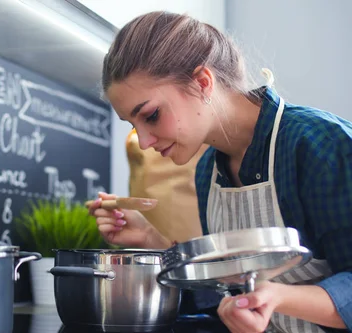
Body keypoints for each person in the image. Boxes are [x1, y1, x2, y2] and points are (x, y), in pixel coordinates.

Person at [89, 10, 352, 333]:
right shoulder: (208, 172)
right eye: (133, 125)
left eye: (152, 115)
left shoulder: (318, 144)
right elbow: (220, 297)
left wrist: (277, 297)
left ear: (202, 82)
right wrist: (152, 239)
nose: (143, 142)